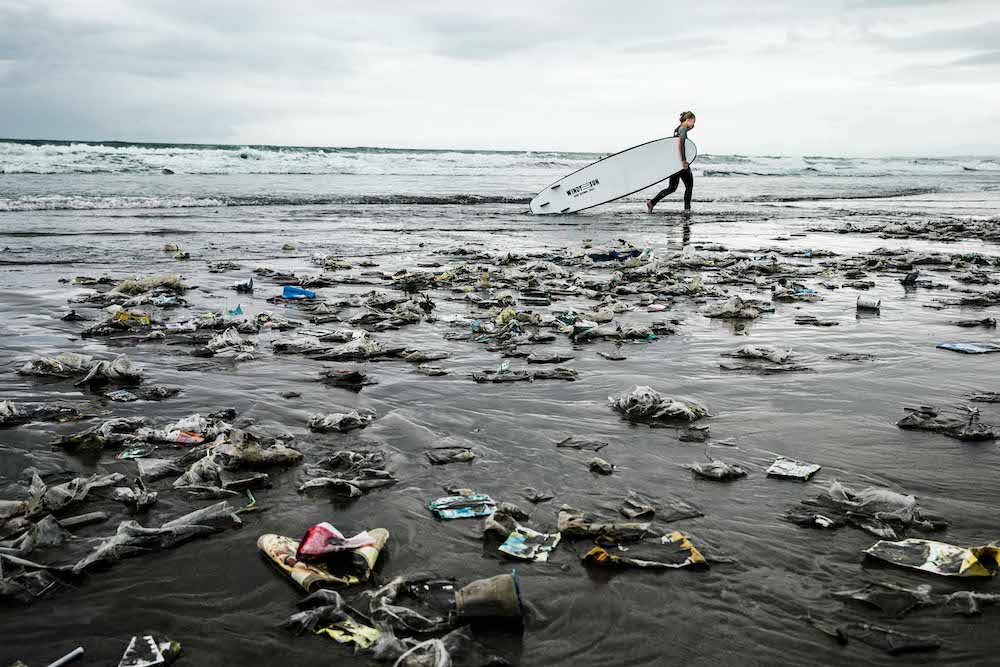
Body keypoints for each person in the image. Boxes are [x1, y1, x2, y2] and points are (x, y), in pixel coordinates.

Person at [646, 111, 696, 213]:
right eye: (693, 121)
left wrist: (690, 127)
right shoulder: (682, 130)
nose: (693, 124)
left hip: (674, 164)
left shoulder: (677, 130)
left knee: (672, 187)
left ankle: (652, 202)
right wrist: (684, 161)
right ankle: (687, 210)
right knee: (689, 186)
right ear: (689, 119)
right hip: (680, 164)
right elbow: (680, 145)